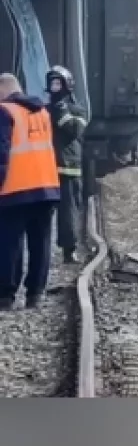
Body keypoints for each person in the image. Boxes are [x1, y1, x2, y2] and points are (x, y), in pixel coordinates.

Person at [0, 72, 61, 310]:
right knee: (41, 242)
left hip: (15, 188)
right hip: (46, 187)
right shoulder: (42, 112)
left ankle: (5, 294)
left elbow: (1, 154)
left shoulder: (5, 112)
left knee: (9, 243)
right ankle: (35, 293)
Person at [46, 66, 88, 264]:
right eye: (52, 83)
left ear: (67, 85)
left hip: (67, 168)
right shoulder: (45, 109)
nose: (55, 87)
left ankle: (69, 250)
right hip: (45, 167)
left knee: (68, 211)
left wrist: (61, 111)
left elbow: (74, 130)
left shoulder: (77, 109)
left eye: (58, 83)